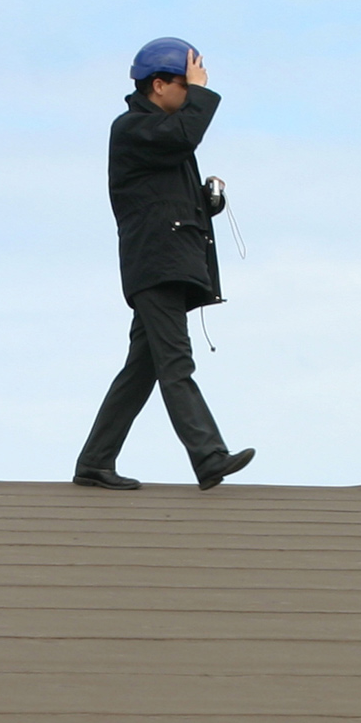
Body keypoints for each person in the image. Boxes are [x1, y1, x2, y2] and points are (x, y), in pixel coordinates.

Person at [74, 37, 255, 491]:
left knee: (143, 369)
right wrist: (204, 96)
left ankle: (95, 462)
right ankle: (209, 456)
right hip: (157, 266)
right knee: (176, 363)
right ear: (159, 85)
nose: (192, 92)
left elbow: (165, 194)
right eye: (186, 85)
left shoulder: (158, 137)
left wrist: (206, 202)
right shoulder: (133, 127)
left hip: (165, 263)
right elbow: (183, 136)